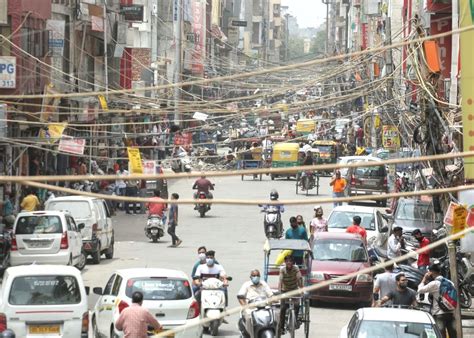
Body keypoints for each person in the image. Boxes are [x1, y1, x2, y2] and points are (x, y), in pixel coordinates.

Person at [418, 264, 456, 338]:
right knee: (453, 335)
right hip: (451, 312)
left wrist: (424, 279)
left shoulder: (434, 283)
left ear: (431, 272)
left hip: (439, 313)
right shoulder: (450, 282)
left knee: (440, 335)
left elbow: (420, 290)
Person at [237, 269, 273, 336]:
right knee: (249, 317)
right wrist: (245, 306)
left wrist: (272, 299)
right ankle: (250, 335)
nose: (255, 277)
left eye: (257, 275)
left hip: (264, 306)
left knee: (274, 314)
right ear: (250, 277)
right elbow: (240, 297)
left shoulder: (263, 284)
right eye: (254, 276)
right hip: (251, 308)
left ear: (260, 276)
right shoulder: (246, 285)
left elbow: (270, 295)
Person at [279, 256, 303, 333]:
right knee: (283, 308)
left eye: (290, 261)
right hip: (285, 291)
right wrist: (279, 292)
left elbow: (299, 277)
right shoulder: (282, 270)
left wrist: (301, 288)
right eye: (287, 261)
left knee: (297, 305)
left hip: (294, 290)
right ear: (285, 262)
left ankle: (295, 321)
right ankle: (282, 327)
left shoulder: (296, 268)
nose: (289, 262)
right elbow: (280, 280)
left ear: (293, 262)